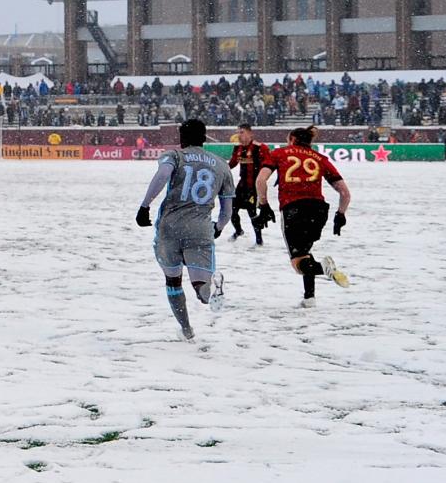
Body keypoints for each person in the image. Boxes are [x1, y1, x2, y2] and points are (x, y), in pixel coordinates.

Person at [134, 119, 233, 341]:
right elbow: (227, 208)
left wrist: (144, 206)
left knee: (173, 280)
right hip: (200, 227)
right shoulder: (221, 165)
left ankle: (186, 329)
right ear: (204, 137)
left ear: (182, 137)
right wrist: (218, 227)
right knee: (200, 287)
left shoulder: (175, 156)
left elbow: (162, 176)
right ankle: (209, 289)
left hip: (170, 227)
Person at [255, 127, 353, 307]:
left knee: (298, 263)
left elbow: (261, 180)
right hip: (318, 210)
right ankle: (309, 298)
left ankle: (324, 269)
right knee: (305, 253)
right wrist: (340, 215)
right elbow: (345, 193)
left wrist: (263, 205)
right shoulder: (320, 159)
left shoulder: (279, 153)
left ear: (292, 139)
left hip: (293, 208)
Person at [224, 123, 273, 245]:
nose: (239, 135)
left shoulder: (260, 148)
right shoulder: (238, 149)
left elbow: (270, 164)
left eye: (242, 132)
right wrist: (220, 168)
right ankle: (239, 231)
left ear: (250, 133)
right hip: (241, 186)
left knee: (252, 213)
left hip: (254, 187)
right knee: (232, 210)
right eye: (238, 133)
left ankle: (259, 240)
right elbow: (232, 164)